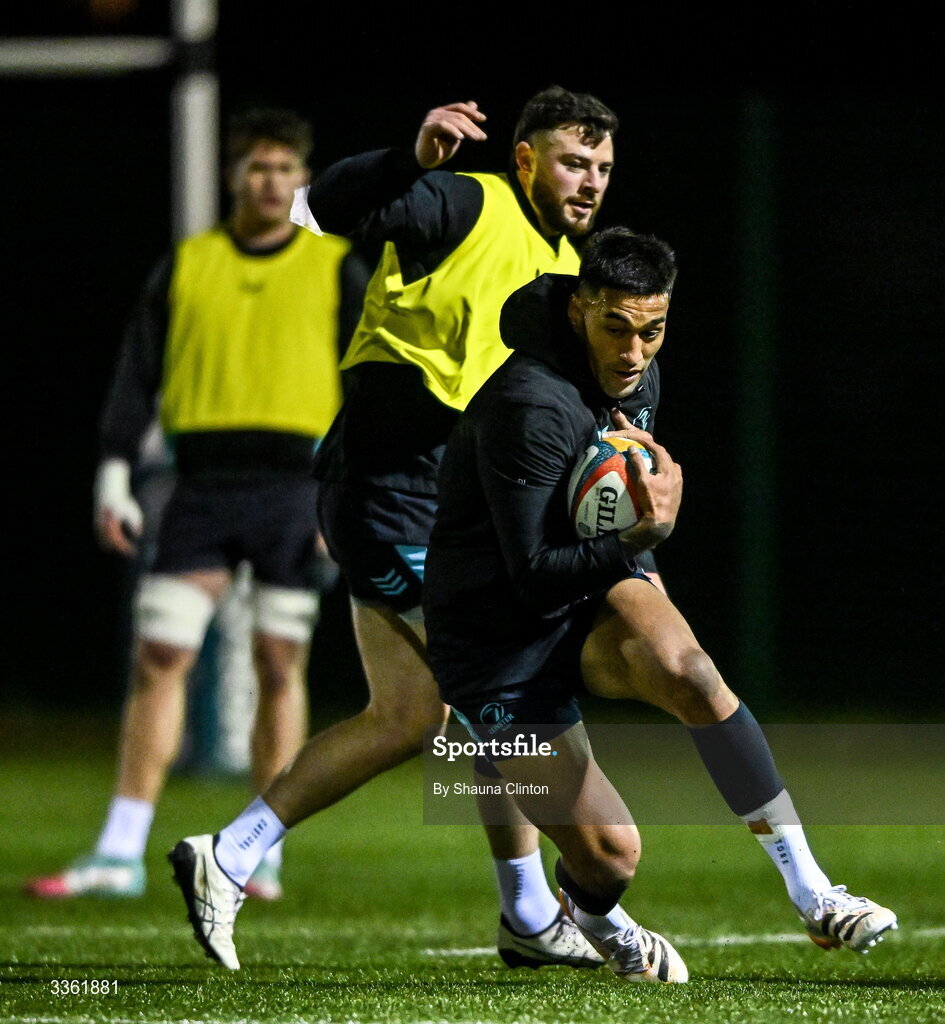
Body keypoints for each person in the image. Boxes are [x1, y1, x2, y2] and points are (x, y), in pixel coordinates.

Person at [168, 86, 623, 971]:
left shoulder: (564, 263)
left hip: (445, 505)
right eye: (574, 162)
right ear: (525, 159)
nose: (590, 182)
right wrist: (410, 158)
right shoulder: (465, 201)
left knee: (411, 715)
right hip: (387, 494)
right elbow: (324, 207)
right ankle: (538, 909)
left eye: (603, 168)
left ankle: (231, 854)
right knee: (499, 700)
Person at [421, 228, 898, 983]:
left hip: (581, 592)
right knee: (612, 856)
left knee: (692, 670)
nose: (634, 351)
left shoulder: (634, 373)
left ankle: (814, 891)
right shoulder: (527, 406)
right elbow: (535, 574)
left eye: (652, 330)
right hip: (493, 636)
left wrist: (644, 575)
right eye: (615, 328)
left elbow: (609, 504)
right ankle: (588, 918)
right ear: (579, 310)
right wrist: (648, 536)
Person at [26, 107, 366, 903]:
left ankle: (260, 850)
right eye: (256, 167)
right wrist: (114, 470)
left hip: (295, 488)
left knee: (280, 665)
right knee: (160, 657)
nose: (270, 181)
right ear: (233, 176)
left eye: (285, 168)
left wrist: (346, 494)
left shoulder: (335, 267)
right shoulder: (186, 265)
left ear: (303, 179)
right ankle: (118, 850)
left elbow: (365, 384)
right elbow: (137, 373)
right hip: (201, 487)